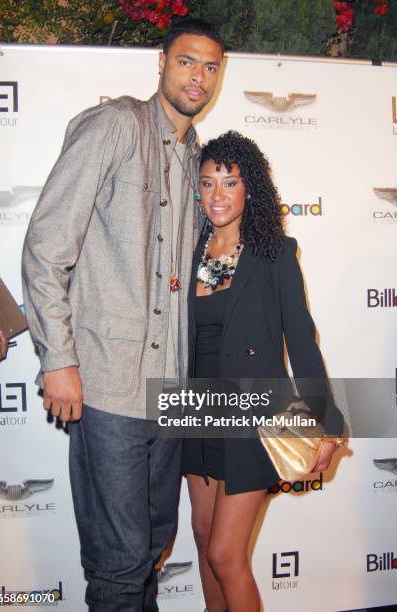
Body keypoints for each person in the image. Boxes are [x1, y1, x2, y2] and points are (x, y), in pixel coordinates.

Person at [21, 18, 224, 612]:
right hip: (109, 384)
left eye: (211, 67)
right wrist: (58, 359)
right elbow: (46, 244)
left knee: (153, 547)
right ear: (161, 62)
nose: (199, 77)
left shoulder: (197, 160)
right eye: (188, 62)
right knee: (118, 562)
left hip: (170, 392)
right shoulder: (115, 126)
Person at [182, 131, 345, 612]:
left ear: (249, 188)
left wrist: (327, 421)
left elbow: (302, 342)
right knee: (202, 537)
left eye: (229, 182)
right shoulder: (188, 254)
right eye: (208, 183)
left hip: (256, 412)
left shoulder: (274, 253)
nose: (217, 195)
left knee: (226, 554)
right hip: (194, 407)